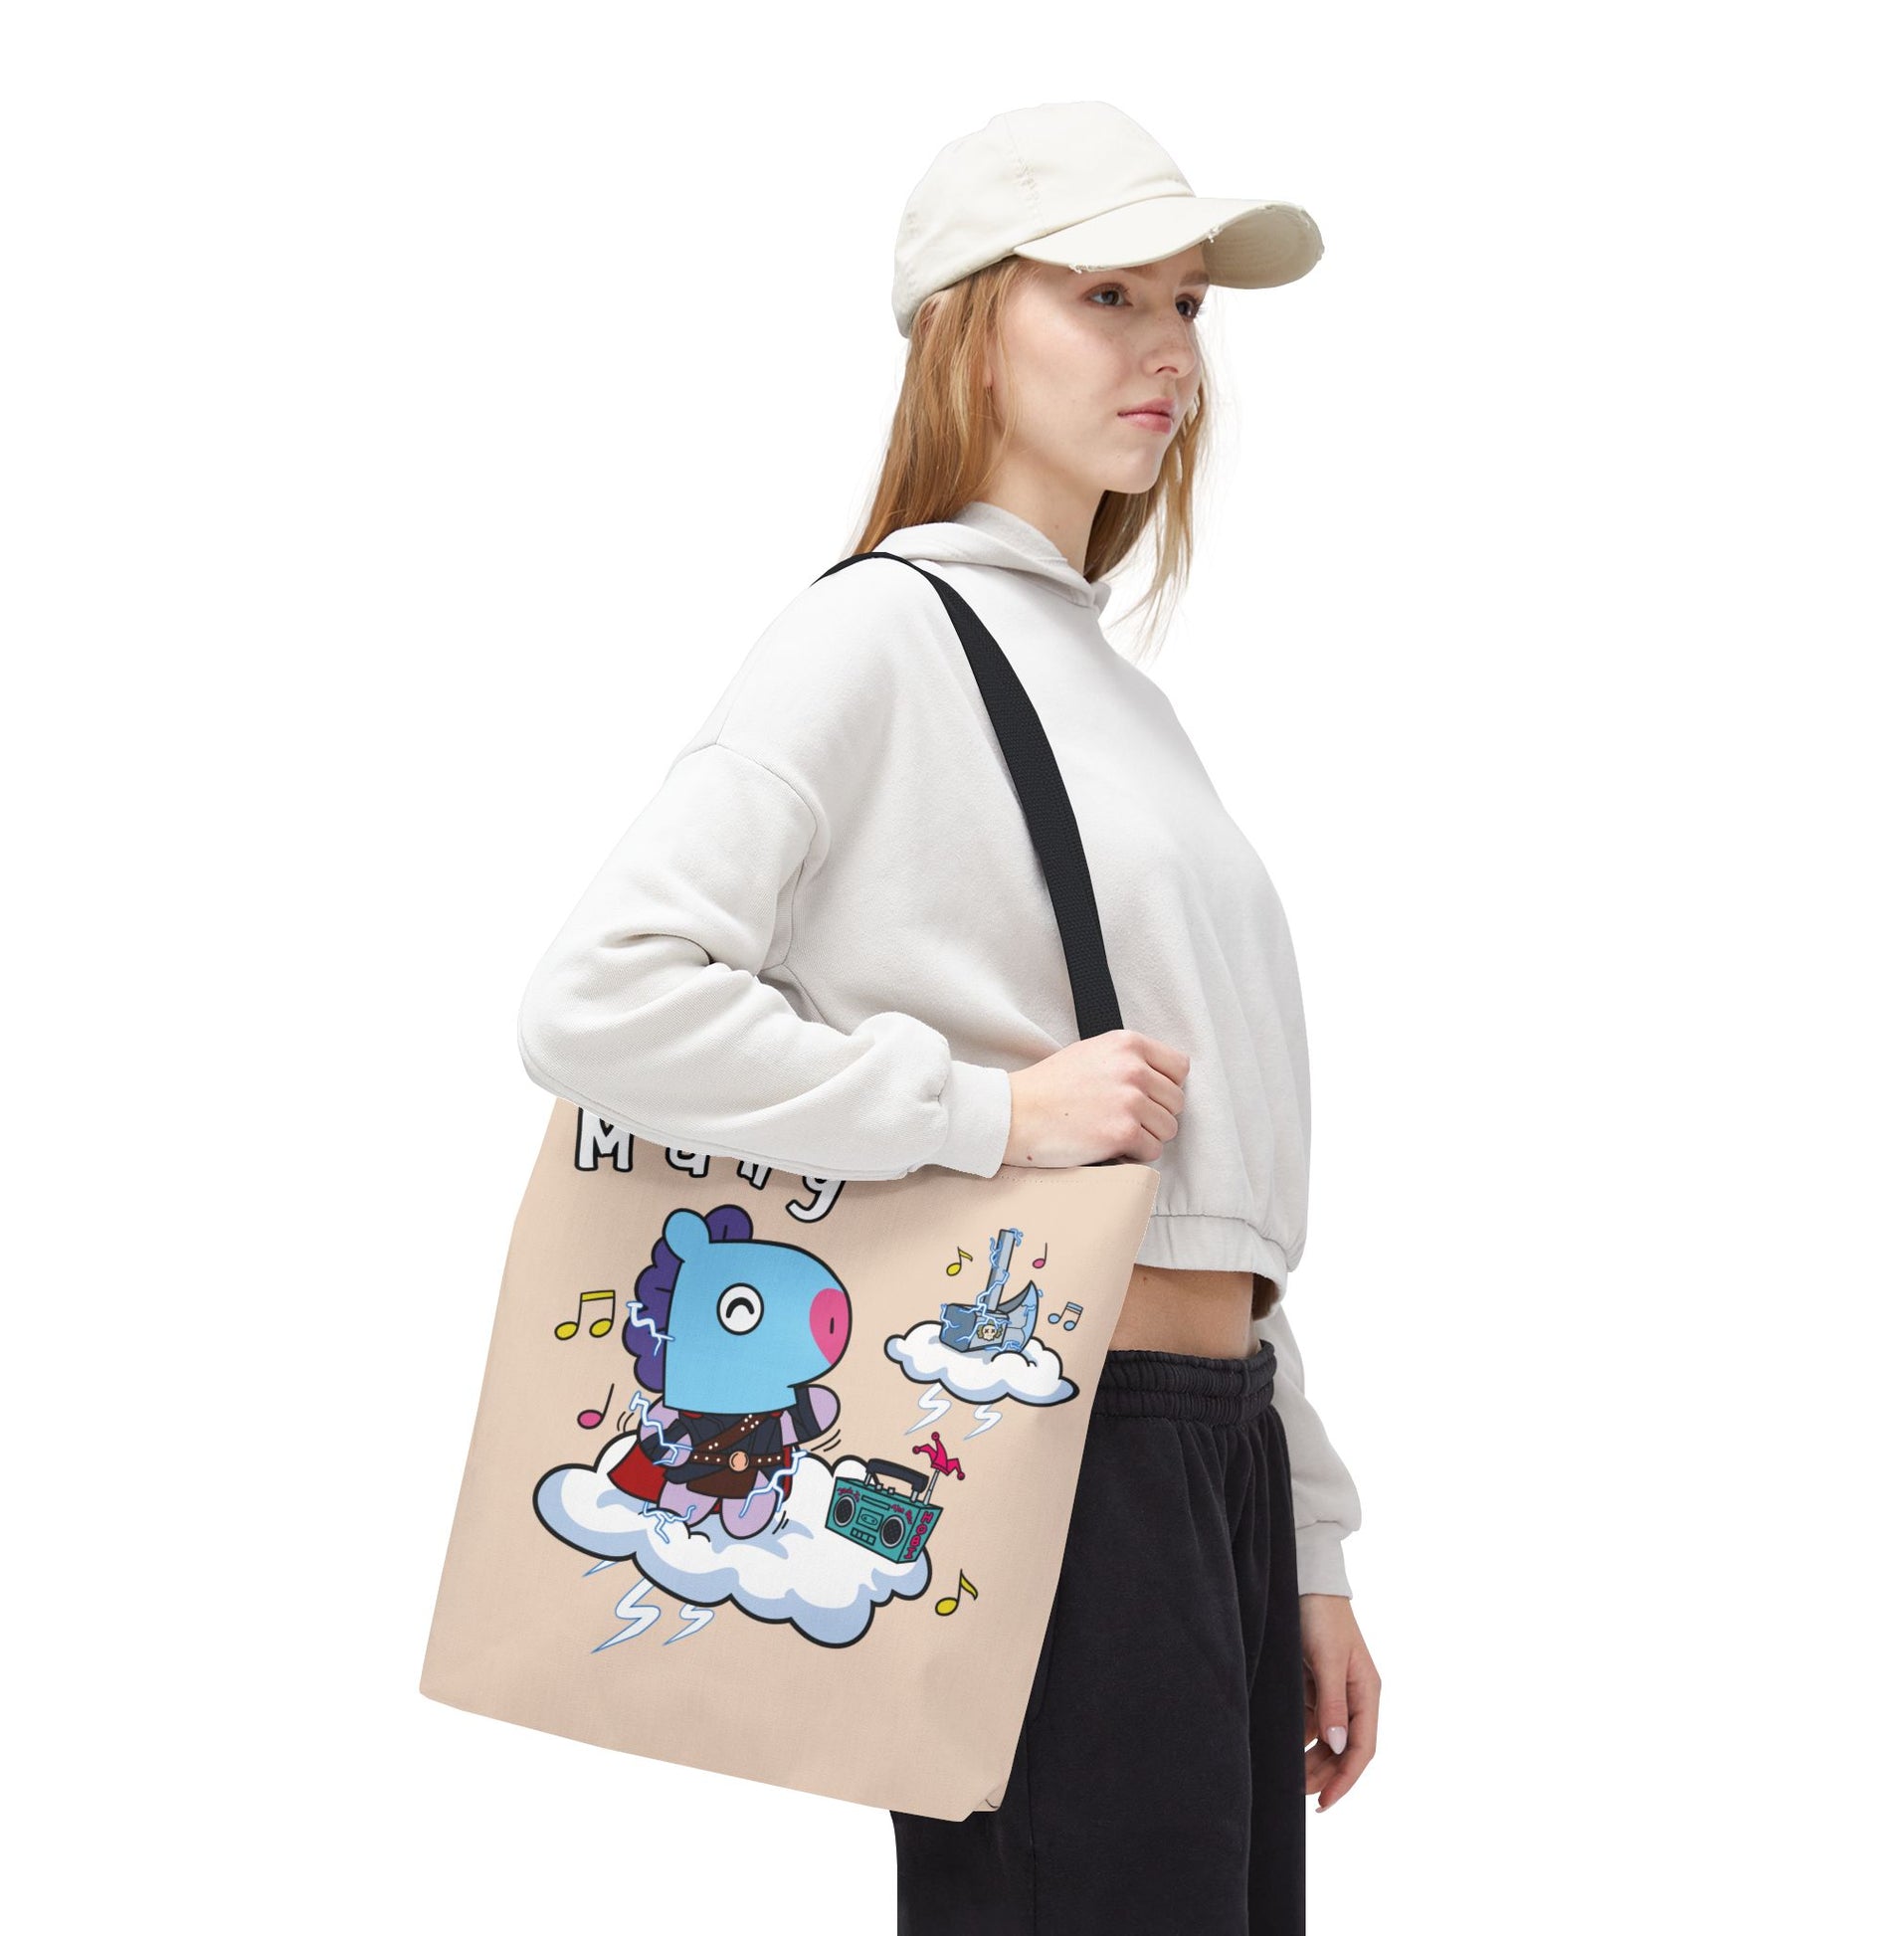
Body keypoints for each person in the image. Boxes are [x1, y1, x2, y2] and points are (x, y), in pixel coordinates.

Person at [516, 98, 1380, 1935]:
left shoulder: (1118, 695)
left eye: (1187, 304)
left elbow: (1203, 1177)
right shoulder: (876, 636)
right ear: (969, 329)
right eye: (1106, 295)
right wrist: (989, 1113)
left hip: (1201, 1447)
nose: (1168, 346)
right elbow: (599, 997)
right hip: (1056, 1455)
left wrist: (1303, 1534)